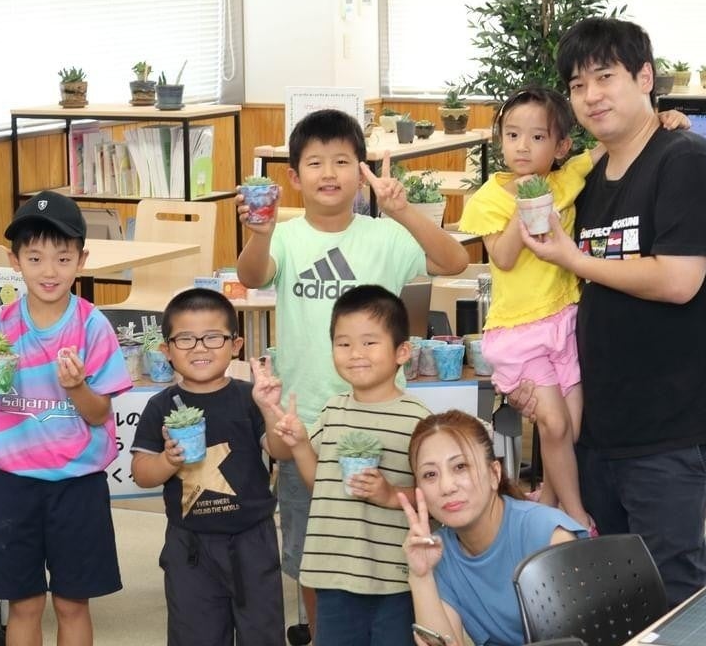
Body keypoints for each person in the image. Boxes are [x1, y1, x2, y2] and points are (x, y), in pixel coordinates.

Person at [236, 108, 469, 632]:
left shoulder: (385, 236)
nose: (329, 173)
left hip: (384, 418)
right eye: (315, 162)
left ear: (362, 171)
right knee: (314, 553)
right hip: (306, 424)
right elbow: (251, 276)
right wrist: (261, 232)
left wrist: (403, 211)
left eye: (342, 161)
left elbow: (454, 262)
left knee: (392, 540)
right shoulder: (287, 238)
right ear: (294, 177)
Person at [512, 17, 706, 608]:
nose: (591, 95)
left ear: (645, 77)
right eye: (578, 85)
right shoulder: (589, 177)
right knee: (612, 599)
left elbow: (678, 280)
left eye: (605, 77)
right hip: (597, 432)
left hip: (667, 432)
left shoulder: (684, 160)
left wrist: (576, 258)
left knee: (674, 595)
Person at [0, 190, 132, 646]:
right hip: (13, 485)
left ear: (81, 260)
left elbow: (99, 413)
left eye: (63, 259)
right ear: (15, 261)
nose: (49, 271)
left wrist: (77, 387)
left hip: (78, 483)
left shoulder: (92, 325)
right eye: (35, 258)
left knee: (72, 603)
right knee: (24, 604)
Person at [458, 86, 598, 530]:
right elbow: (501, 258)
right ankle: (574, 516)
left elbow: (611, 147)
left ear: (561, 146)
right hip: (519, 331)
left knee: (570, 427)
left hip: (565, 319)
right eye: (513, 134)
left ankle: (548, 505)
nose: (522, 146)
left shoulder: (566, 179)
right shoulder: (490, 197)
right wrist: (525, 210)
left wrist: (665, 120)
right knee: (553, 426)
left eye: (538, 137)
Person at [262, 285, 431, 646]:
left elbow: (434, 499)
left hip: (395, 579)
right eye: (343, 343)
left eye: (370, 342)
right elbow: (319, 483)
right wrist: (300, 444)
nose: (356, 354)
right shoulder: (333, 409)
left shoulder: (418, 420)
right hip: (332, 573)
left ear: (402, 351)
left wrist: (389, 494)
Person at [130, 288, 284, 646]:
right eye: (185, 339)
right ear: (166, 350)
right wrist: (167, 460)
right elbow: (141, 473)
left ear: (235, 345)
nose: (199, 348)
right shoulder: (161, 406)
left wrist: (270, 410)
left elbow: (279, 451)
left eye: (213, 337)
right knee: (194, 634)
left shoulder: (249, 397)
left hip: (253, 539)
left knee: (262, 633)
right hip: (190, 545)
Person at [399, 410, 587, 646]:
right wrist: (421, 576)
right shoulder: (436, 552)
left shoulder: (547, 534)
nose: (446, 487)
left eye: (460, 466)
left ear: (494, 473)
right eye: (430, 474)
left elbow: (578, 639)